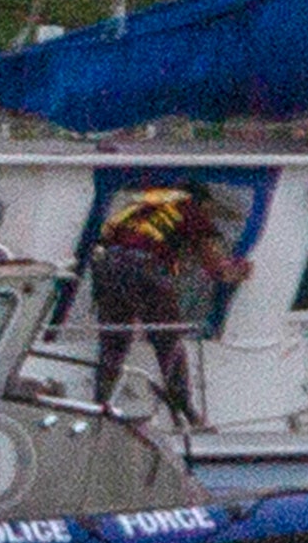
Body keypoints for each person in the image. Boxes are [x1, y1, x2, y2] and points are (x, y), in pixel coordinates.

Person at [91, 183, 251, 429]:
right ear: (201, 202)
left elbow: (107, 240)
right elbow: (216, 267)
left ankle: (99, 408)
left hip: (106, 265)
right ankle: (189, 413)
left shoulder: (140, 206)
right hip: (143, 267)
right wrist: (237, 270)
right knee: (168, 339)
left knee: (114, 341)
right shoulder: (189, 209)